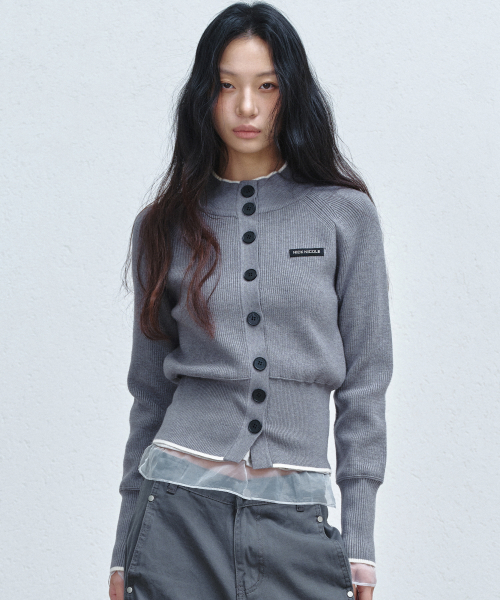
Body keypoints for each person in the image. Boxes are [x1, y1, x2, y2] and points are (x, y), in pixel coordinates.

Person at [108, 2, 393, 599]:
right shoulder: (162, 226)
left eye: (266, 86)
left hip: (297, 517)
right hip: (175, 515)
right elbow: (149, 394)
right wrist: (121, 550)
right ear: (203, 96)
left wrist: (360, 540)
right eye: (226, 85)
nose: (246, 107)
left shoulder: (344, 216)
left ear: (292, 93)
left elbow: (365, 383)